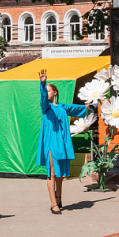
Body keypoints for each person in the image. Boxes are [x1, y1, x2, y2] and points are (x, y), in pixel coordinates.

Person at [38, 69, 90, 214]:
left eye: (49, 91)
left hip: (61, 142)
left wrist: (91, 106)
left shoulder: (62, 107)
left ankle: (59, 198)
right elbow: (42, 98)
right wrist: (42, 84)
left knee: (60, 173)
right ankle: (53, 203)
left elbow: (77, 108)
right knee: (52, 172)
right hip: (50, 142)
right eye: (46, 91)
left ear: (55, 93)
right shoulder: (46, 107)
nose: (47, 93)